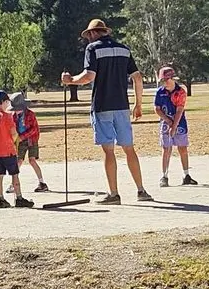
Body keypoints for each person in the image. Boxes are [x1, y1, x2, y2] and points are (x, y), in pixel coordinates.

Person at [60, 18, 153, 205]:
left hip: (102, 105)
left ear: (94, 33)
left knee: (109, 151)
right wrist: (138, 104)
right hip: (122, 106)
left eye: (88, 36)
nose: (88, 39)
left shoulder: (93, 49)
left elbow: (89, 76)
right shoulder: (124, 50)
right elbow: (137, 77)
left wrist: (70, 80)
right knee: (129, 149)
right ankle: (141, 190)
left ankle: (114, 194)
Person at [0, 90, 33, 209]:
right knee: (15, 174)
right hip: (8, 150)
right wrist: (15, 139)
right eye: (7, 101)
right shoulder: (6, 116)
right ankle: (18, 197)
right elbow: (13, 133)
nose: (8, 104)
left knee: (0, 174)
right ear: (3, 102)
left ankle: (1, 198)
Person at [155, 66, 197, 187]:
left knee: (182, 148)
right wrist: (168, 122)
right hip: (165, 123)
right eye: (163, 80)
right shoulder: (160, 92)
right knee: (166, 149)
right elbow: (157, 109)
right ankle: (164, 175)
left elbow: (180, 110)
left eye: (166, 79)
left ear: (173, 79)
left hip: (180, 124)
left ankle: (186, 175)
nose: (165, 83)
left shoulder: (181, 92)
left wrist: (174, 126)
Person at [10, 92, 49, 194]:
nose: (16, 111)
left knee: (32, 160)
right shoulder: (13, 116)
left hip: (32, 140)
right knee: (18, 161)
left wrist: (22, 137)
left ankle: (42, 183)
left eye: (18, 108)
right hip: (20, 141)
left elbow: (34, 129)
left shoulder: (30, 114)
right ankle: (13, 184)